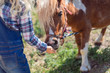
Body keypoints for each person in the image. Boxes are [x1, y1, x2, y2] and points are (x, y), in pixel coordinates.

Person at [0, 0, 56, 73]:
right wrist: (45, 47)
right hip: (13, 56)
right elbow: (29, 38)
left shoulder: (2, 3)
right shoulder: (20, 6)